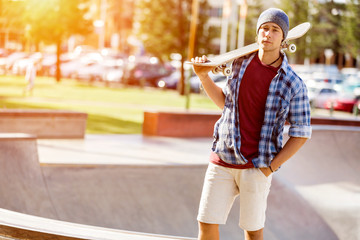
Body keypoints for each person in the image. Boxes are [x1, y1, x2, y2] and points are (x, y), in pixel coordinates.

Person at [191, 8, 312, 240]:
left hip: (257, 165)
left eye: (275, 30)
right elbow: (226, 104)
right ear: (258, 33)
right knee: (206, 223)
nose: (268, 33)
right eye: (264, 28)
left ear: (283, 38)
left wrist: (270, 167)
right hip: (223, 158)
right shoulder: (239, 64)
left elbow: (301, 133)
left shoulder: (293, 83)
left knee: (253, 233)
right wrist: (204, 76)